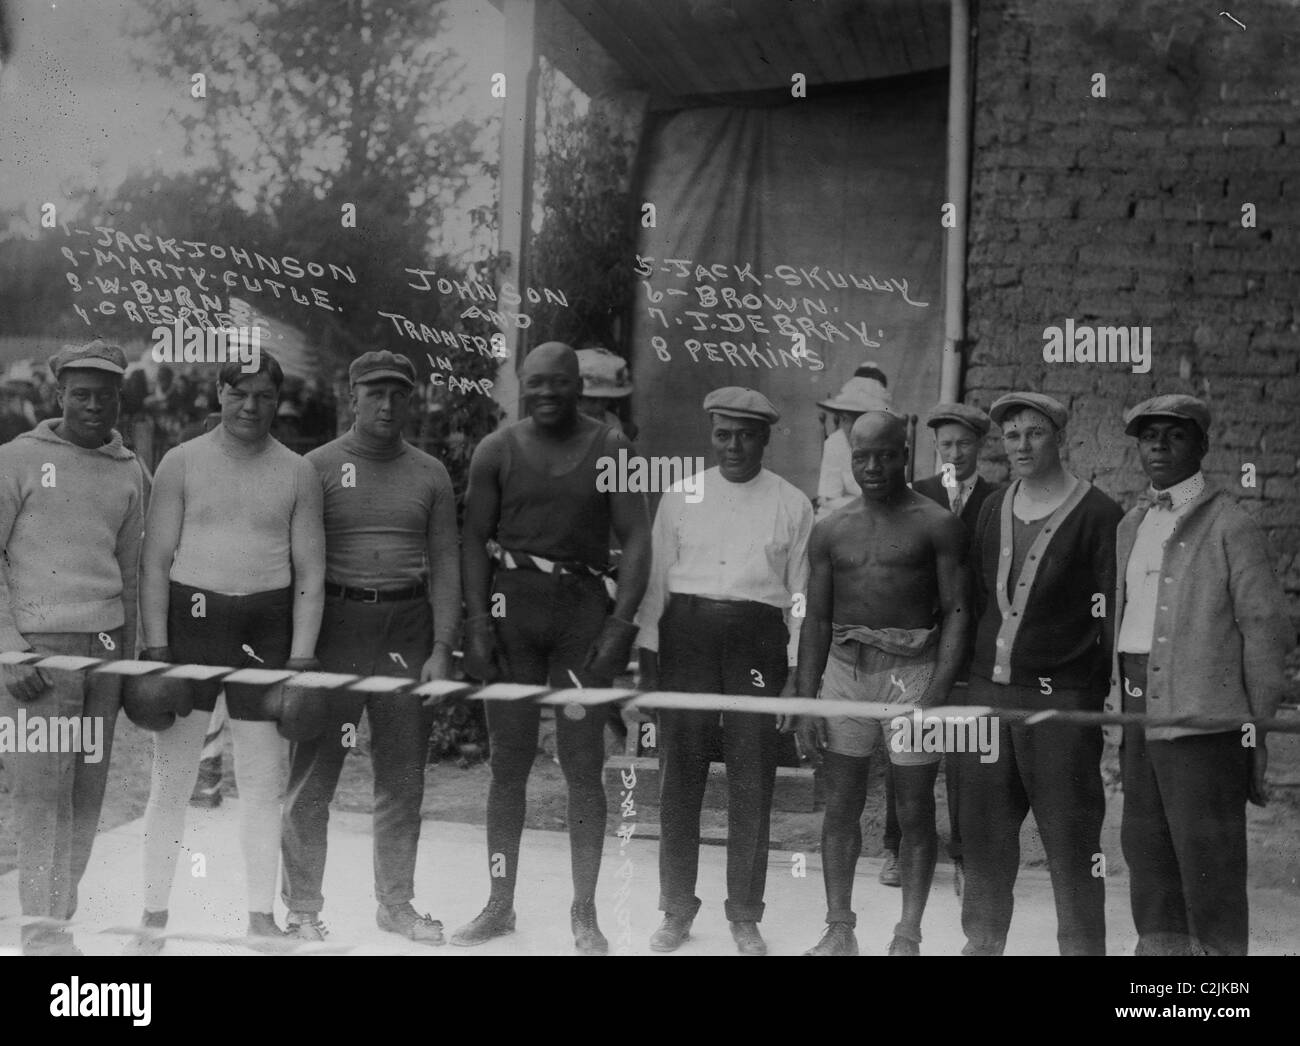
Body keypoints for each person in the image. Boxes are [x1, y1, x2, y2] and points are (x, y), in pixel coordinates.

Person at [452, 341, 650, 954]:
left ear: (576, 386)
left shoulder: (614, 447)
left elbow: (639, 538)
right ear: (519, 383)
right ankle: (498, 904)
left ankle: (586, 913)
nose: (545, 393)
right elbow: (472, 539)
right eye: (534, 382)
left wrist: (620, 628)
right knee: (507, 764)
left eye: (557, 383)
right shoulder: (496, 449)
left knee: (582, 764)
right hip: (513, 613)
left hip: (580, 617)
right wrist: (478, 625)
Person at [133, 349, 325, 948]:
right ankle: (153, 916)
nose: (251, 405)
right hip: (192, 627)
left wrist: (300, 658)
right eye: (239, 392)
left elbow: (309, 573)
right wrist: (157, 647)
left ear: (278, 400)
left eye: (264, 394)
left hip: (266, 632)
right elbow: (155, 561)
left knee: (263, 782)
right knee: (172, 780)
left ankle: (259, 917)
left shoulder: (297, 471)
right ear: (219, 393)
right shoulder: (181, 461)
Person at [281, 351, 461, 944]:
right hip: (337, 626)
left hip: (407, 630)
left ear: (411, 400)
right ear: (352, 395)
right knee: (315, 774)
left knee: (403, 776)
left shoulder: (430, 472)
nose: (387, 406)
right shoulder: (317, 466)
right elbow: (298, 563)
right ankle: (304, 905)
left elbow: (445, 565)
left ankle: (397, 903)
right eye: (375, 393)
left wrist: (441, 647)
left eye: (398, 394)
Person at [1108, 395, 1291, 956]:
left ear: (1202, 447)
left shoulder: (1231, 524)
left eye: (1175, 435)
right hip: (1137, 706)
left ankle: (1219, 989)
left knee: (1207, 861)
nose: (1158, 446)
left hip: (1203, 718)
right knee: (1147, 847)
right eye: (1148, 436)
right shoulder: (1131, 524)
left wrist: (1253, 730)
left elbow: (1264, 632)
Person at [636, 387, 813, 956]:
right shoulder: (681, 495)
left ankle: (744, 913)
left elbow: (801, 600)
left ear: (765, 437)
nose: (734, 445)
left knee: (751, 776)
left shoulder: (793, 503)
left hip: (755, 644)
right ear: (711, 435)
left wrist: (793, 676)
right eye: (723, 434)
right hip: (686, 640)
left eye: (746, 435)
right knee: (679, 776)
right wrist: (648, 668)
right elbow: (656, 585)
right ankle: (676, 908)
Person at [790, 412, 969, 956]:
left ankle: (907, 933)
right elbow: (816, 620)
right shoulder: (832, 528)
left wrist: (936, 692)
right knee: (840, 806)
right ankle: (839, 927)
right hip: (845, 677)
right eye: (862, 457)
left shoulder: (936, 523)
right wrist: (805, 700)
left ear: (906, 452)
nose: (873, 467)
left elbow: (960, 611)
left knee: (914, 810)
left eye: (885, 455)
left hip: (911, 677)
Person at [955, 392, 1122, 956]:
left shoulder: (1099, 514)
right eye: (1012, 435)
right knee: (983, 832)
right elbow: (980, 600)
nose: (1022, 445)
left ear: (1059, 437)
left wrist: (1093, 697)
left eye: (1035, 433)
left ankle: (1081, 950)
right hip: (988, 694)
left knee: (1072, 840)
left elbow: (1109, 613)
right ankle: (982, 942)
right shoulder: (993, 506)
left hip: (1061, 701)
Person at [0, 340, 148, 955]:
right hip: (36, 651)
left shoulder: (130, 470)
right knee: (41, 794)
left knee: (86, 792)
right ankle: (43, 935)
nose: (93, 405)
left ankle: (58, 923)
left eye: (105, 394)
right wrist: (8, 648)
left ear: (119, 398)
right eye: (81, 393)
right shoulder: (14, 460)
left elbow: (133, 572)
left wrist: (133, 661)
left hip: (106, 649)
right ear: (58, 394)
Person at [888, 402, 997, 896]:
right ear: (935, 448)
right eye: (946, 445)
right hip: (918, 641)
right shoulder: (913, 496)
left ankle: (965, 858)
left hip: (973, 644)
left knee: (965, 754)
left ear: (980, 446)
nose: (955, 452)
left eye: (965, 444)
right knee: (907, 742)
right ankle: (896, 848)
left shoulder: (997, 500)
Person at [815, 370, 892, 520]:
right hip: (845, 516)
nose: (850, 427)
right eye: (844, 418)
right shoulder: (835, 443)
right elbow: (829, 498)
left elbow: (893, 498)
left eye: (858, 418)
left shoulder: (890, 444)